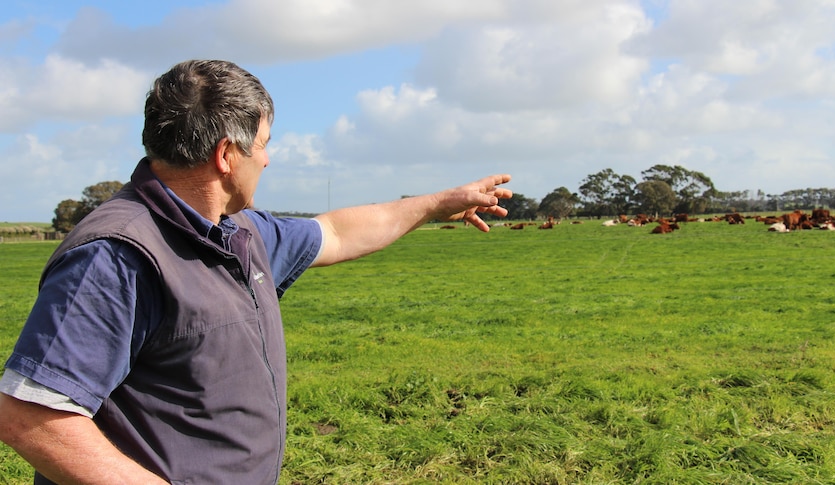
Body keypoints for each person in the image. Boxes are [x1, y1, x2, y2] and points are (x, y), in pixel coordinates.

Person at [0, 59, 512, 484]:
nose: (266, 160)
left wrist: (439, 203)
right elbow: (32, 416)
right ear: (227, 154)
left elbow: (335, 232)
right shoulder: (118, 254)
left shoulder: (238, 233)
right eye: (263, 143)